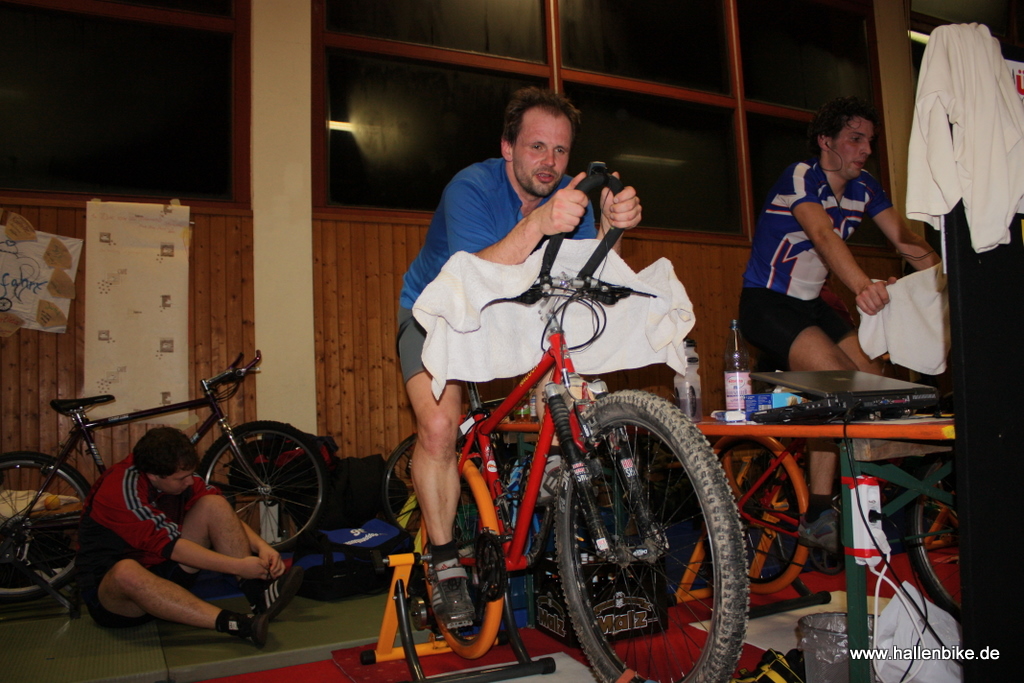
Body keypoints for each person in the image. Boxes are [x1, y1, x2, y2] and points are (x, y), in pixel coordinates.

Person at [396, 87, 642, 629]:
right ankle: (443, 562)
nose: (550, 162)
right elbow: (475, 279)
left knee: (576, 360)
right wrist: (540, 223)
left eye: (560, 150)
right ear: (507, 147)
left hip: (520, 310)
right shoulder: (470, 188)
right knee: (438, 427)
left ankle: (552, 467)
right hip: (438, 309)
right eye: (536, 147)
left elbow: (586, 279)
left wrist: (610, 229)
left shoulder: (569, 197)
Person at [739, 96, 940, 553]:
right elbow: (823, 235)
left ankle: (855, 484)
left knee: (877, 383)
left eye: (870, 140)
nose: (865, 149)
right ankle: (817, 513)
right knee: (840, 387)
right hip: (767, 305)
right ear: (826, 141)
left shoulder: (864, 187)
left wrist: (948, 284)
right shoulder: (800, 176)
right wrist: (862, 286)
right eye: (855, 139)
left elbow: (906, 240)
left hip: (812, 307)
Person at [76, 427, 304, 647]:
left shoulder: (175, 473)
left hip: (163, 572)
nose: (189, 481)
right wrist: (238, 566)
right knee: (125, 570)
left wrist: (262, 547)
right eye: (181, 478)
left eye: (189, 474)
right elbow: (174, 548)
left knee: (214, 503)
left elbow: (223, 516)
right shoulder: (120, 489)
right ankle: (237, 624)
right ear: (153, 475)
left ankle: (259, 595)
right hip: (116, 598)